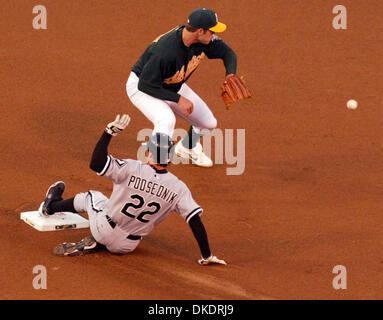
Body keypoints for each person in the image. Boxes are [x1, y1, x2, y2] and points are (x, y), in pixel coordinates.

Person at [39, 114, 226, 266]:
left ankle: (50, 206)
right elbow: (194, 220)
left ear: (149, 153)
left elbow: (96, 163)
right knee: (108, 209)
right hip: (127, 245)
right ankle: (101, 243)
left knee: (92, 196)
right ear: (169, 158)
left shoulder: (132, 168)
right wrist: (207, 254)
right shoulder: (179, 188)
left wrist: (107, 133)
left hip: (104, 229)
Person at [126, 8, 237, 167]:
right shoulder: (165, 52)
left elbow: (228, 53)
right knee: (166, 120)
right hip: (142, 86)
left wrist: (230, 75)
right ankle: (152, 169)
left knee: (208, 123)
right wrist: (178, 99)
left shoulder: (203, 41)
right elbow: (145, 84)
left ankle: (188, 147)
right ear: (200, 31)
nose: (214, 35)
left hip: (171, 85)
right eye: (211, 31)